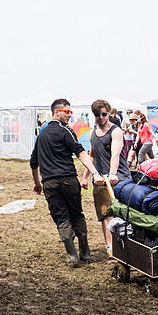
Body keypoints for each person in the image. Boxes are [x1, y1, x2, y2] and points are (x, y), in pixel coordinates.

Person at [30, 99, 104, 267]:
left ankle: (72, 255)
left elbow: (33, 163)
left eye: (71, 112)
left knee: (61, 217)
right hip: (68, 180)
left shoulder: (41, 135)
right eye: (67, 112)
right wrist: (95, 173)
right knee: (76, 214)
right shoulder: (66, 131)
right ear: (57, 112)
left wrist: (37, 183)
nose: (70, 116)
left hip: (49, 184)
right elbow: (81, 153)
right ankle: (84, 252)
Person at [81, 99, 129, 254]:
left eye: (103, 114)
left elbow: (115, 154)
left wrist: (113, 173)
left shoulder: (116, 131)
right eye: (97, 115)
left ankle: (127, 245)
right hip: (101, 180)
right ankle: (110, 246)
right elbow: (92, 156)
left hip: (120, 177)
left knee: (123, 213)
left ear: (109, 113)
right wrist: (85, 176)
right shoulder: (92, 134)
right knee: (105, 213)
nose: (100, 117)